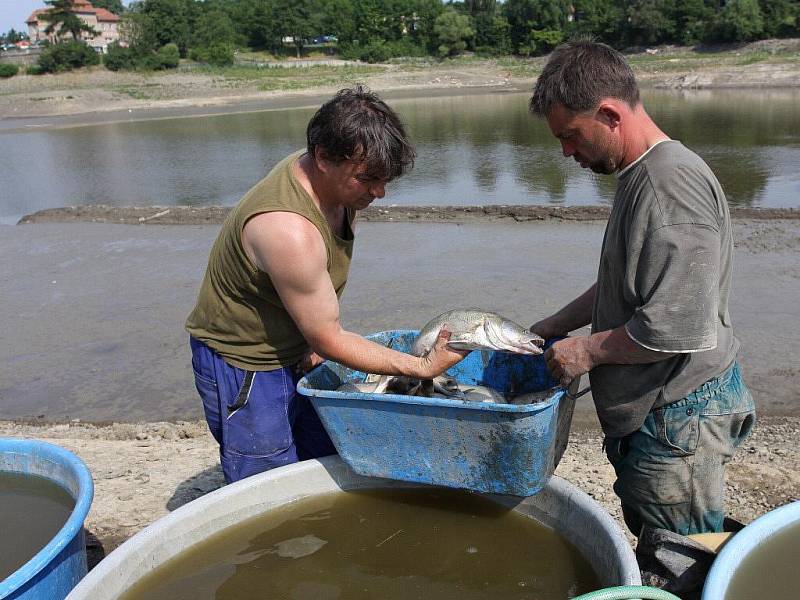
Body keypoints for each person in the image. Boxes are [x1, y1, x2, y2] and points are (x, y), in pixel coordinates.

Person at [528, 40, 756, 536]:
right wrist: (554, 325)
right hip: (665, 411)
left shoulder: (668, 186)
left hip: (678, 414)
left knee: (680, 557)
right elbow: (626, 281)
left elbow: (676, 324)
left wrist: (585, 351)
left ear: (610, 114)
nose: (567, 152)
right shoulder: (641, 174)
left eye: (570, 135)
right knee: (671, 537)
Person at [186, 86, 466, 484]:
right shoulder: (287, 230)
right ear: (322, 157)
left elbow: (320, 309)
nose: (379, 192)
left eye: (385, 180)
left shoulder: (335, 187)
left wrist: (313, 341)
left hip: (298, 344)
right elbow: (329, 335)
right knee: (268, 480)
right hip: (246, 363)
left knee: (329, 452)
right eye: (368, 179)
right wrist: (419, 366)